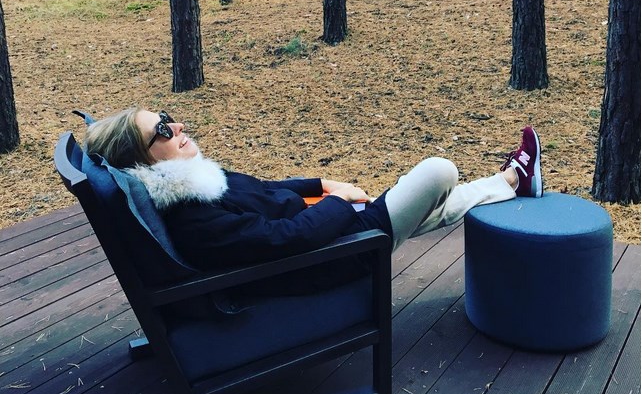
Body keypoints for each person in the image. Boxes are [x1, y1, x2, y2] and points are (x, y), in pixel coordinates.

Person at [84, 108, 544, 278]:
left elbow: (263, 189)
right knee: (439, 172)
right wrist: (339, 204)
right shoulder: (194, 218)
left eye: (167, 117)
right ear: (142, 162)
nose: (178, 125)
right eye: (163, 130)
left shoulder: (195, 182)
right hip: (333, 256)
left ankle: (510, 181)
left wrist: (322, 186)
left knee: (423, 205)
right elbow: (286, 242)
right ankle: (510, 181)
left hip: (325, 226)